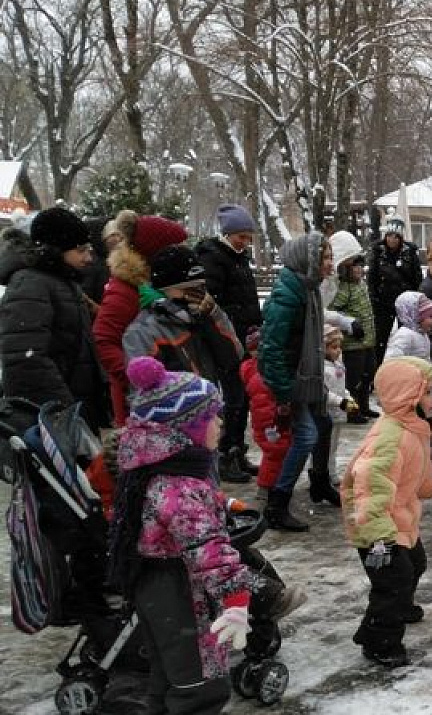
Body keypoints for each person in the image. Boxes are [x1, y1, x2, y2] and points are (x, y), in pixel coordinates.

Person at [105, 356, 251, 714]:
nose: (220, 422)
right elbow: (208, 548)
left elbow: (173, 512)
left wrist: (221, 502)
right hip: (181, 590)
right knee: (200, 687)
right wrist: (236, 600)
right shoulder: (180, 486)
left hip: (154, 587)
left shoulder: (156, 470)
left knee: (170, 678)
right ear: (186, 428)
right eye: (212, 416)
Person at [341, 357, 432, 668]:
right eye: (428, 392)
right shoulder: (390, 438)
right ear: (407, 396)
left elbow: (418, 469)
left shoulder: (414, 428)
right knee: (393, 581)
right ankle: (378, 639)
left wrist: (426, 486)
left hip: (399, 515)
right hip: (375, 525)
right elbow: (369, 487)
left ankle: (399, 606)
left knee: (415, 564)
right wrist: (379, 537)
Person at [0, 208, 112, 431]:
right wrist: (65, 414)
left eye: (89, 249)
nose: (89, 258)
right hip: (50, 421)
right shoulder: (30, 284)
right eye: (80, 250)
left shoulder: (63, 281)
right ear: (55, 250)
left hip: (72, 411)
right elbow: (26, 360)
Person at [257, 233, 332, 532]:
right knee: (306, 436)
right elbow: (271, 347)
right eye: (325, 258)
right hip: (290, 378)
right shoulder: (288, 295)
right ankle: (277, 503)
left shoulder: (308, 288)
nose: (330, 264)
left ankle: (320, 483)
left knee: (324, 423)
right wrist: (284, 391)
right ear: (309, 260)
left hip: (303, 375)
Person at [93, 211, 190, 427]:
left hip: (171, 390)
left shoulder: (161, 282)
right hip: (142, 399)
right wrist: (139, 376)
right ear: (156, 252)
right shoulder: (125, 290)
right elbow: (104, 340)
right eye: (176, 247)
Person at [122, 245, 243, 405]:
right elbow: (143, 395)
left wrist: (214, 315)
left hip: (209, 411)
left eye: (201, 288)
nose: (199, 295)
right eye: (189, 290)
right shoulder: (143, 331)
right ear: (166, 291)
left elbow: (233, 356)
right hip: (177, 415)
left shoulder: (200, 318)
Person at [197, 204, 265, 481]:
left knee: (244, 398)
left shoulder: (239, 258)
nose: (245, 242)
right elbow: (212, 303)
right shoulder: (213, 258)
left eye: (248, 237)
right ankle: (225, 454)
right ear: (227, 233)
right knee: (234, 399)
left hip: (244, 338)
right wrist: (236, 320)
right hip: (225, 340)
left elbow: (247, 297)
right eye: (241, 236)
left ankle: (237, 450)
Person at [328, 229, 378, 422]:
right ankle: (353, 410)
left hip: (368, 340)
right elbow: (334, 311)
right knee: (354, 379)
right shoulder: (344, 288)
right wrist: (349, 323)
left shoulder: (361, 285)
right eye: (354, 266)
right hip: (353, 343)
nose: (359, 270)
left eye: (360, 266)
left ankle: (364, 406)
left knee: (367, 375)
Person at [241, 328, 292, 508]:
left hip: (265, 421)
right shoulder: (263, 372)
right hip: (270, 422)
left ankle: (274, 484)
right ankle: (265, 488)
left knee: (276, 453)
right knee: (274, 453)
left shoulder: (250, 368)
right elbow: (266, 399)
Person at [308, 325, 354, 506]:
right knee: (322, 446)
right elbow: (324, 393)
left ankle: (330, 473)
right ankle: (318, 474)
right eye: (334, 347)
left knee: (333, 446)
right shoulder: (322, 369)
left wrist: (348, 398)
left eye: (339, 347)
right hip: (327, 412)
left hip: (338, 412)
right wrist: (340, 401)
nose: (338, 351)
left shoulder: (338, 364)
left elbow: (341, 387)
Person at [367, 216, 421, 363]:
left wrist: (415, 297)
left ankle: (407, 363)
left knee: (408, 336)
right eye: (390, 235)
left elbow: (416, 277)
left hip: (405, 301)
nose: (392, 239)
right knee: (381, 337)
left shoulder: (409, 252)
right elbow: (372, 277)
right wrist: (374, 296)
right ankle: (378, 365)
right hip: (382, 302)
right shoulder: (378, 252)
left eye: (396, 236)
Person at [384, 290, 432, 360]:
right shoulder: (404, 335)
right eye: (431, 317)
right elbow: (392, 360)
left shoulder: (423, 334)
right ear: (416, 316)